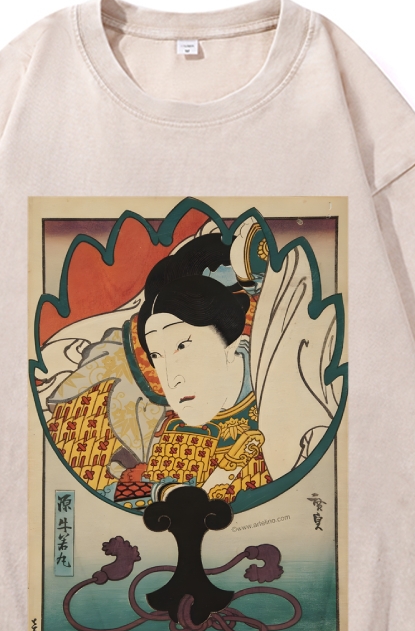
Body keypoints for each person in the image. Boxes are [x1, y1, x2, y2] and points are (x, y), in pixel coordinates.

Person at [38, 214, 342, 511]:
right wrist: (163, 491)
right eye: (157, 356)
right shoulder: (164, 414)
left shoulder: (288, 391)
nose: (173, 378)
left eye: (183, 346)